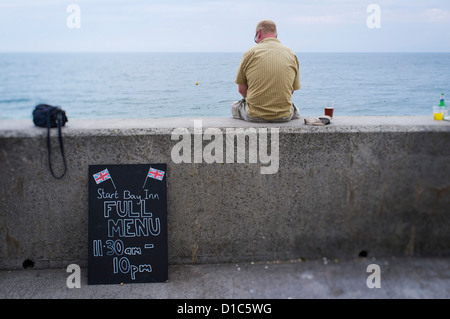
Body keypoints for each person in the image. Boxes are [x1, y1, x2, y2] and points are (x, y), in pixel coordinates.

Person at [232, 20, 301, 122]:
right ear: (276, 35)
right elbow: (291, 91)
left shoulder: (249, 53)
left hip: (254, 115)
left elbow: (241, 90)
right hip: (284, 116)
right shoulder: (291, 54)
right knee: (296, 110)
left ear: (258, 34)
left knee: (234, 106)